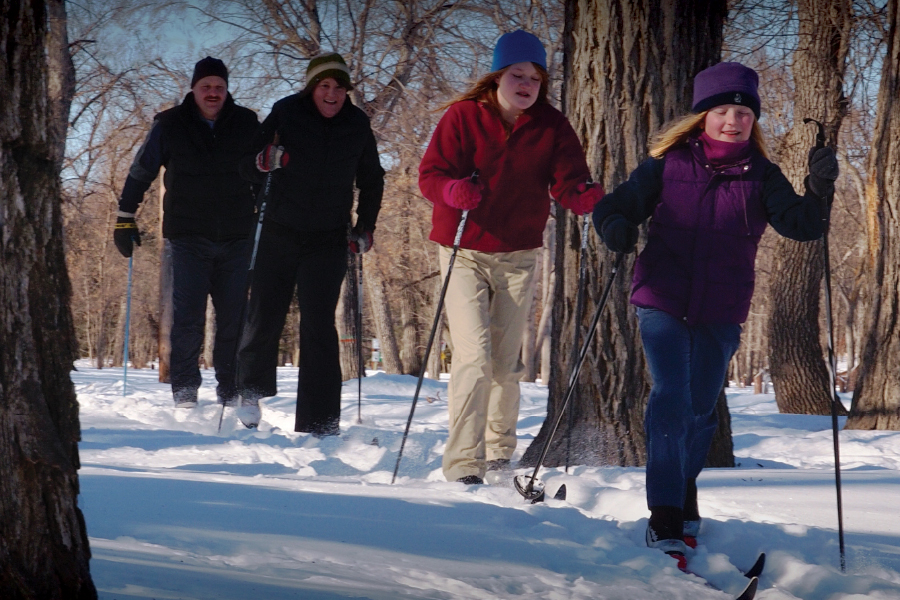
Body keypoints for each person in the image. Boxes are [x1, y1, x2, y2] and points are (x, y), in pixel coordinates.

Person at [592, 62, 839, 568]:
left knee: (702, 408)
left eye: (743, 112)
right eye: (723, 110)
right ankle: (664, 516)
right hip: (661, 296)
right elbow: (615, 206)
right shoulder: (668, 164)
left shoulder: (763, 176)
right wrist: (615, 225)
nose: (733, 120)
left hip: (722, 307)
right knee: (671, 395)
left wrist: (818, 188)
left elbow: (803, 227)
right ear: (703, 115)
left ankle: (684, 491)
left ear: (755, 121)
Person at [418, 30, 603, 485]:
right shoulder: (464, 117)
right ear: (498, 76)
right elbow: (430, 175)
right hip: (463, 249)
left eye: (535, 78)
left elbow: (568, 178)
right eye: (517, 74)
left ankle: (500, 449)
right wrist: (451, 190)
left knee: (505, 362)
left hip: (519, 252)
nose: (526, 84)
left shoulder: (551, 125)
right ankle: (464, 462)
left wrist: (580, 195)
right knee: (474, 356)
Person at [236, 52, 384, 433]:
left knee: (319, 324)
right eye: (325, 86)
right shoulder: (286, 112)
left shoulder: (357, 124)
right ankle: (250, 389)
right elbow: (244, 161)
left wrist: (365, 226)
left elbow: (372, 178)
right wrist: (263, 161)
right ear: (312, 88)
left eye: (339, 87)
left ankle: (320, 420)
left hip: (329, 237)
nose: (332, 94)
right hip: (279, 229)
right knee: (266, 311)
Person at [114, 56, 259, 411]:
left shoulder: (247, 123)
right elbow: (141, 170)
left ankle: (231, 392)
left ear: (227, 90)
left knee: (233, 320)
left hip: (238, 235)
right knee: (188, 318)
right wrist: (125, 216)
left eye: (219, 87)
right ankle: (184, 394)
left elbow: (265, 169)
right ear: (193, 89)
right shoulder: (170, 124)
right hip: (189, 236)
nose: (213, 93)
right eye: (206, 86)